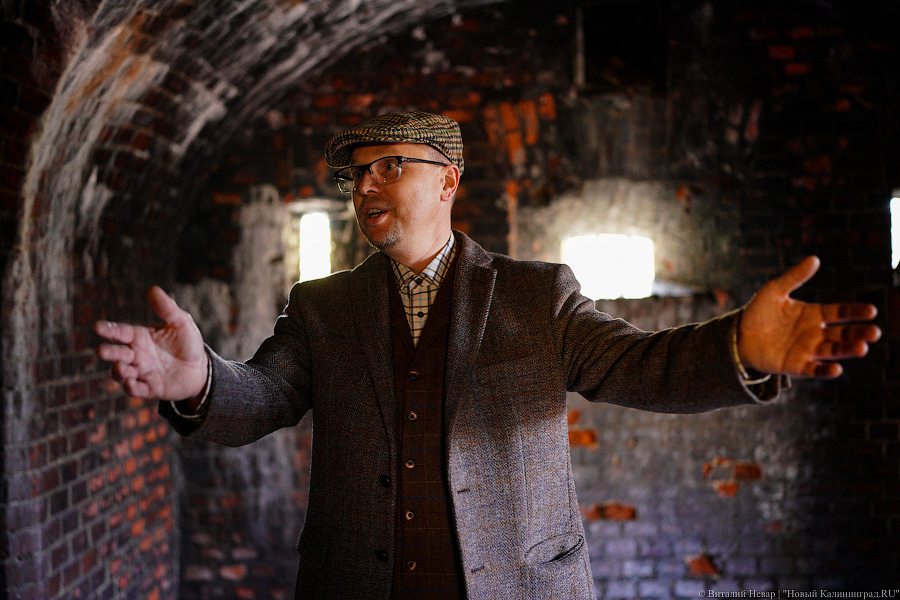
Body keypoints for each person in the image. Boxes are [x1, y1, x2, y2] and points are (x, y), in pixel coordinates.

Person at [94, 111, 880, 600]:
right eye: (356, 173)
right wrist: (199, 380)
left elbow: (640, 365)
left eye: (390, 165)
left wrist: (739, 347)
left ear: (449, 182)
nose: (365, 185)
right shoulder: (322, 306)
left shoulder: (538, 295)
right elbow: (265, 394)